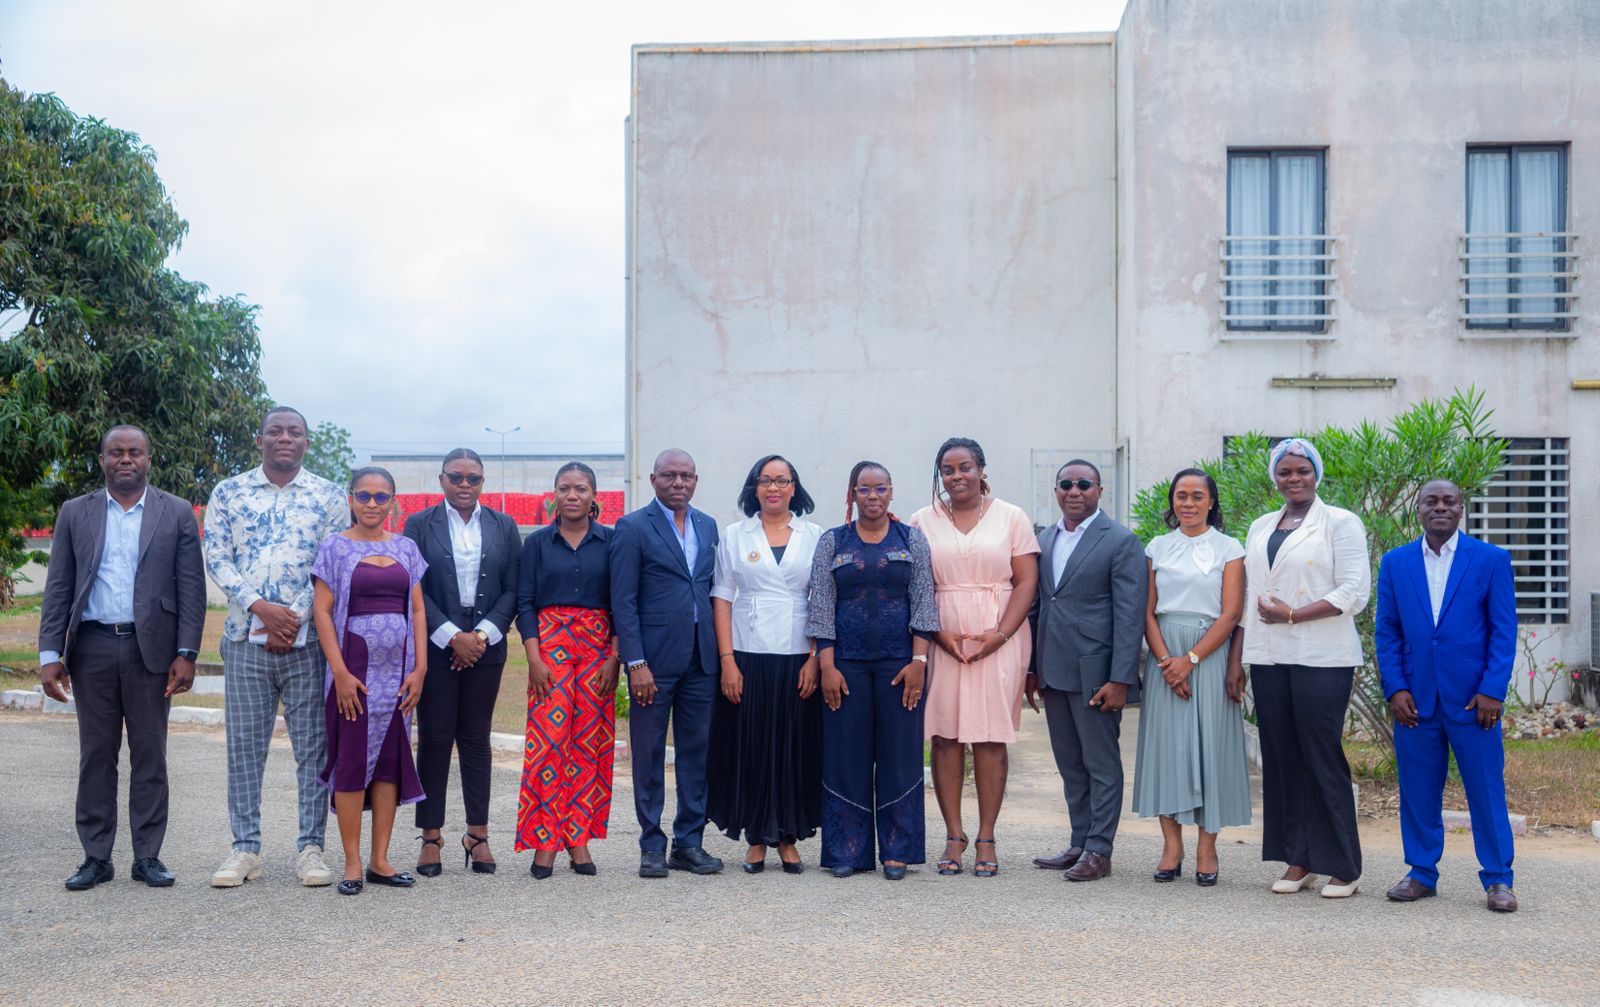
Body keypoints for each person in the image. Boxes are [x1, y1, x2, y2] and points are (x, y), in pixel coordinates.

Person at [38, 425, 207, 891]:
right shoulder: (77, 512)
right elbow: (58, 587)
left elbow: (191, 588)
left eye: (135, 452)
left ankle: (147, 856)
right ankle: (96, 857)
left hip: (150, 650)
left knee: (150, 754)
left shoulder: (174, 513)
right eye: (117, 452)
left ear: (150, 460)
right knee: (97, 755)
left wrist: (186, 652)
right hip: (90, 647)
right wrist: (51, 653)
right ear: (102, 459)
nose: (126, 459)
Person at [204, 406, 348, 889]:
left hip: (308, 645)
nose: (285, 438)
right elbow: (217, 556)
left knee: (313, 748)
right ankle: (245, 849)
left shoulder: (328, 496)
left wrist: (294, 617)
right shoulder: (229, 492)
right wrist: (260, 608)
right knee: (245, 748)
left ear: (307, 442)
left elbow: (332, 564)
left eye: (295, 432)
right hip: (246, 640)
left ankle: (311, 849)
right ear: (260, 438)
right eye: (275, 431)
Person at [1376, 479, 1520, 913]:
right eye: (1430, 501)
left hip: (1474, 702)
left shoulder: (1491, 560)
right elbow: (1387, 632)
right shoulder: (1396, 563)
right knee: (1418, 790)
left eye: (1448, 501)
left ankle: (1498, 879)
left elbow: (1503, 630)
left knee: (1486, 790)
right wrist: (1395, 687)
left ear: (1461, 509)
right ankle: (1421, 872)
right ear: (1417, 509)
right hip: (1415, 701)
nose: (1440, 507)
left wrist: (1493, 689)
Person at [1242, 437, 1370, 899]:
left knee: (1321, 755)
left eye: (1302, 471)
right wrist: (1243, 656)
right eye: (1285, 471)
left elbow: (1354, 591)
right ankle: (1298, 858)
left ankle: (1343, 864)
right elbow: (1249, 594)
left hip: (1322, 656)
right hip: (1270, 656)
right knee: (1282, 758)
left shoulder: (1341, 523)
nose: (1293, 479)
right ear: (1274, 477)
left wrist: (1294, 614)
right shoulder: (1261, 525)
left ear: (1316, 474)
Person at [909, 438, 1039, 878]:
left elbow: (1025, 582)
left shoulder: (1011, 516)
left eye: (965, 467)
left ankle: (986, 836)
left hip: (998, 633)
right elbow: (918, 586)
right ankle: (953, 835)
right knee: (944, 736)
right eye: (947, 470)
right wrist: (938, 634)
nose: (956, 476)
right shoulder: (921, 521)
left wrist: (999, 636)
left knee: (988, 736)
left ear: (981, 469)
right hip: (941, 635)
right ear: (939, 476)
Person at [806, 461, 939, 880]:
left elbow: (924, 602)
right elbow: (821, 605)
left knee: (900, 757)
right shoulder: (833, 541)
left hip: (901, 667)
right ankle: (848, 849)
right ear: (852, 495)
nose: (873, 496)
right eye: (864, 489)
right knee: (846, 756)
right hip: (844, 667)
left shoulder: (912, 540)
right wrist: (826, 665)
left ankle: (898, 851)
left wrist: (919, 662)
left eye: (880, 488)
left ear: (891, 492)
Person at [1026, 459, 1147, 882]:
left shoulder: (1121, 541)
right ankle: (1079, 841)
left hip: (1096, 671)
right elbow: (1040, 605)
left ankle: (1100, 849)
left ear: (1099, 491)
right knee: (1070, 763)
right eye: (1066, 484)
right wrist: (1030, 670)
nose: (1074, 491)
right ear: (1056, 490)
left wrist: (1120, 678)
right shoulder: (1044, 537)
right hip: (1053, 669)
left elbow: (1130, 617)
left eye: (1083, 484)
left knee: (1101, 763)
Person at [403, 448, 521, 877]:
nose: (465, 485)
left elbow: (513, 587)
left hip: (486, 648)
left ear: (483, 482)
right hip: (434, 648)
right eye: (457, 477)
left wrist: (481, 637)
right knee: (434, 738)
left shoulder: (503, 525)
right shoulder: (419, 525)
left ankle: (478, 834)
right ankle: (431, 835)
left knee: (475, 739)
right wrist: (453, 636)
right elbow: (413, 587)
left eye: (474, 478)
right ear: (442, 480)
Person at [311, 467, 429, 895]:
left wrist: (420, 669)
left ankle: (380, 859)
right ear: (351, 500)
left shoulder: (407, 548)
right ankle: (352, 862)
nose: (373, 504)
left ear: (394, 501)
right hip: (354, 673)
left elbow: (417, 610)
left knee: (389, 766)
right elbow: (322, 611)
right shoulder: (335, 548)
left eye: (382, 497)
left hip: (398, 675)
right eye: (364, 496)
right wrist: (340, 672)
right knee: (351, 762)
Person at [1131, 468, 1251, 886]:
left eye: (1198, 496)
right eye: (1181, 496)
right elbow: (1146, 611)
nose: (1188, 503)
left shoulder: (1229, 548)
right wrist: (1168, 662)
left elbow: (1232, 613)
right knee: (1169, 750)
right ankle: (1171, 846)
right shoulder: (1157, 547)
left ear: (1211, 502)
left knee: (1209, 749)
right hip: (1165, 653)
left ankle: (1206, 846)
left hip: (1209, 654)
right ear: (1172, 502)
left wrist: (1192, 659)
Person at [707, 455, 824, 875]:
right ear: (754, 488)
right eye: (765, 480)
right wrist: (727, 661)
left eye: (782, 480)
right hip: (747, 655)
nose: (773, 488)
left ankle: (789, 838)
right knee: (752, 747)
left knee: (793, 747)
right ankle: (757, 837)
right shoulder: (735, 535)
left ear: (794, 487)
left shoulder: (816, 536)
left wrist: (815, 657)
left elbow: (823, 601)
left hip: (798, 656)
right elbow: (721, 598)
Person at [609, 449, 723, 878]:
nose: (679, 482)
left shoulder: (708, 525)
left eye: (687, 475)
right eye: (670, 475)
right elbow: (623, 599)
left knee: (697, 753)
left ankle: (689, 843)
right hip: (652, 663)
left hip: (701, 658)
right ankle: (652, 845)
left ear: (696, 480)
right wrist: (634, 661)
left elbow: (710, 588)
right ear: (654, 479)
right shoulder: (633, 527)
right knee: (650, 752)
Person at [515, 461, 620, 879]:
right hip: (550, 650)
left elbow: (622, 604)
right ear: (553, 495)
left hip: (598, 651)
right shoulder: (538, 543)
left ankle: (577, 839)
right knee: (548, 744)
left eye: (581, 488)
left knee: (587, 747)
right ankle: (544, 842)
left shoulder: (613, 542)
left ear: (595, 496)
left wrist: (614, 656)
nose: (572, 495)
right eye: (564, 488)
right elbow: (525, 603)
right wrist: (534, 660)